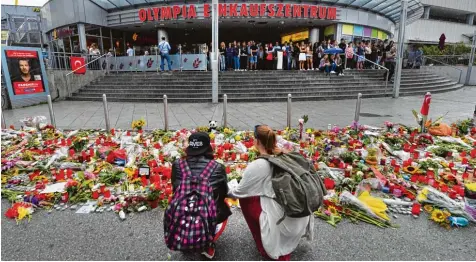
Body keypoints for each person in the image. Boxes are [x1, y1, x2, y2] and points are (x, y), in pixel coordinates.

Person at [228, 125, 313, 261]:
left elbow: (238, 192)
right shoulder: (285, 154)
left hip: (282, 219)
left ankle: (266, 244)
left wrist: (221, 188)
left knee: (245, 199)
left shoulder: (259, 165)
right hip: (300, 213)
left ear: (257, 141)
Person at [166, 132, 232, 259]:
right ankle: (208, 244)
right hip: (207, 218)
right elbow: (224, 192)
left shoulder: (177, 165)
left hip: (181, 215)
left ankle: (183, 235)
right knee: (223, 205)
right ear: (208, 147)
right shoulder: (218, 167)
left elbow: (175, 189)